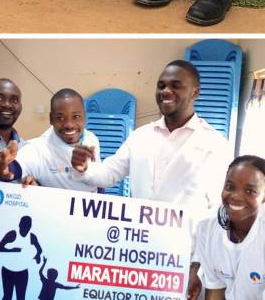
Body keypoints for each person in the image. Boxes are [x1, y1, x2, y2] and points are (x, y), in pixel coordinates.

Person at [72, 60, 232, 235]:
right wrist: (84, 169)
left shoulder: (214, 143)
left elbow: (218, 206)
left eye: (175, 85)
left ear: (195, 92)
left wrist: (201, 257)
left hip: (188, 251)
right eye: (161, 85)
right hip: (141, 246)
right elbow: (109, 174)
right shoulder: (140, 136)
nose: (165, 91)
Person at [0, 88, 102, 192]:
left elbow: (98, 184)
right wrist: (2, 167)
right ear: (51, 119)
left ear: (84, 116)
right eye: (60, 118)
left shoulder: (91, 138)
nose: (69, 125)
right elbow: (12, 168)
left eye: (76, 116)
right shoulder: (38, 148)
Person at [190, 156, 265, 300]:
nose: (236, 196)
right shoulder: (207, 231)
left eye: (250, 191)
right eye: (230, 187)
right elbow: (215, 291)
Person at [0, 216, 43, 300]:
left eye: (28, 226)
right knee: (7, 296)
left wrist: (37, 256)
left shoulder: (32, 237)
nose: (26, 228)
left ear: (30, 226)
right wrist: (11, 250)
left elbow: (40, 249)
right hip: (8, 271)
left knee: (21, 298)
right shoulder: (12, 234)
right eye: (25, 225)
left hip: (22, 272)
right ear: (20, 224)